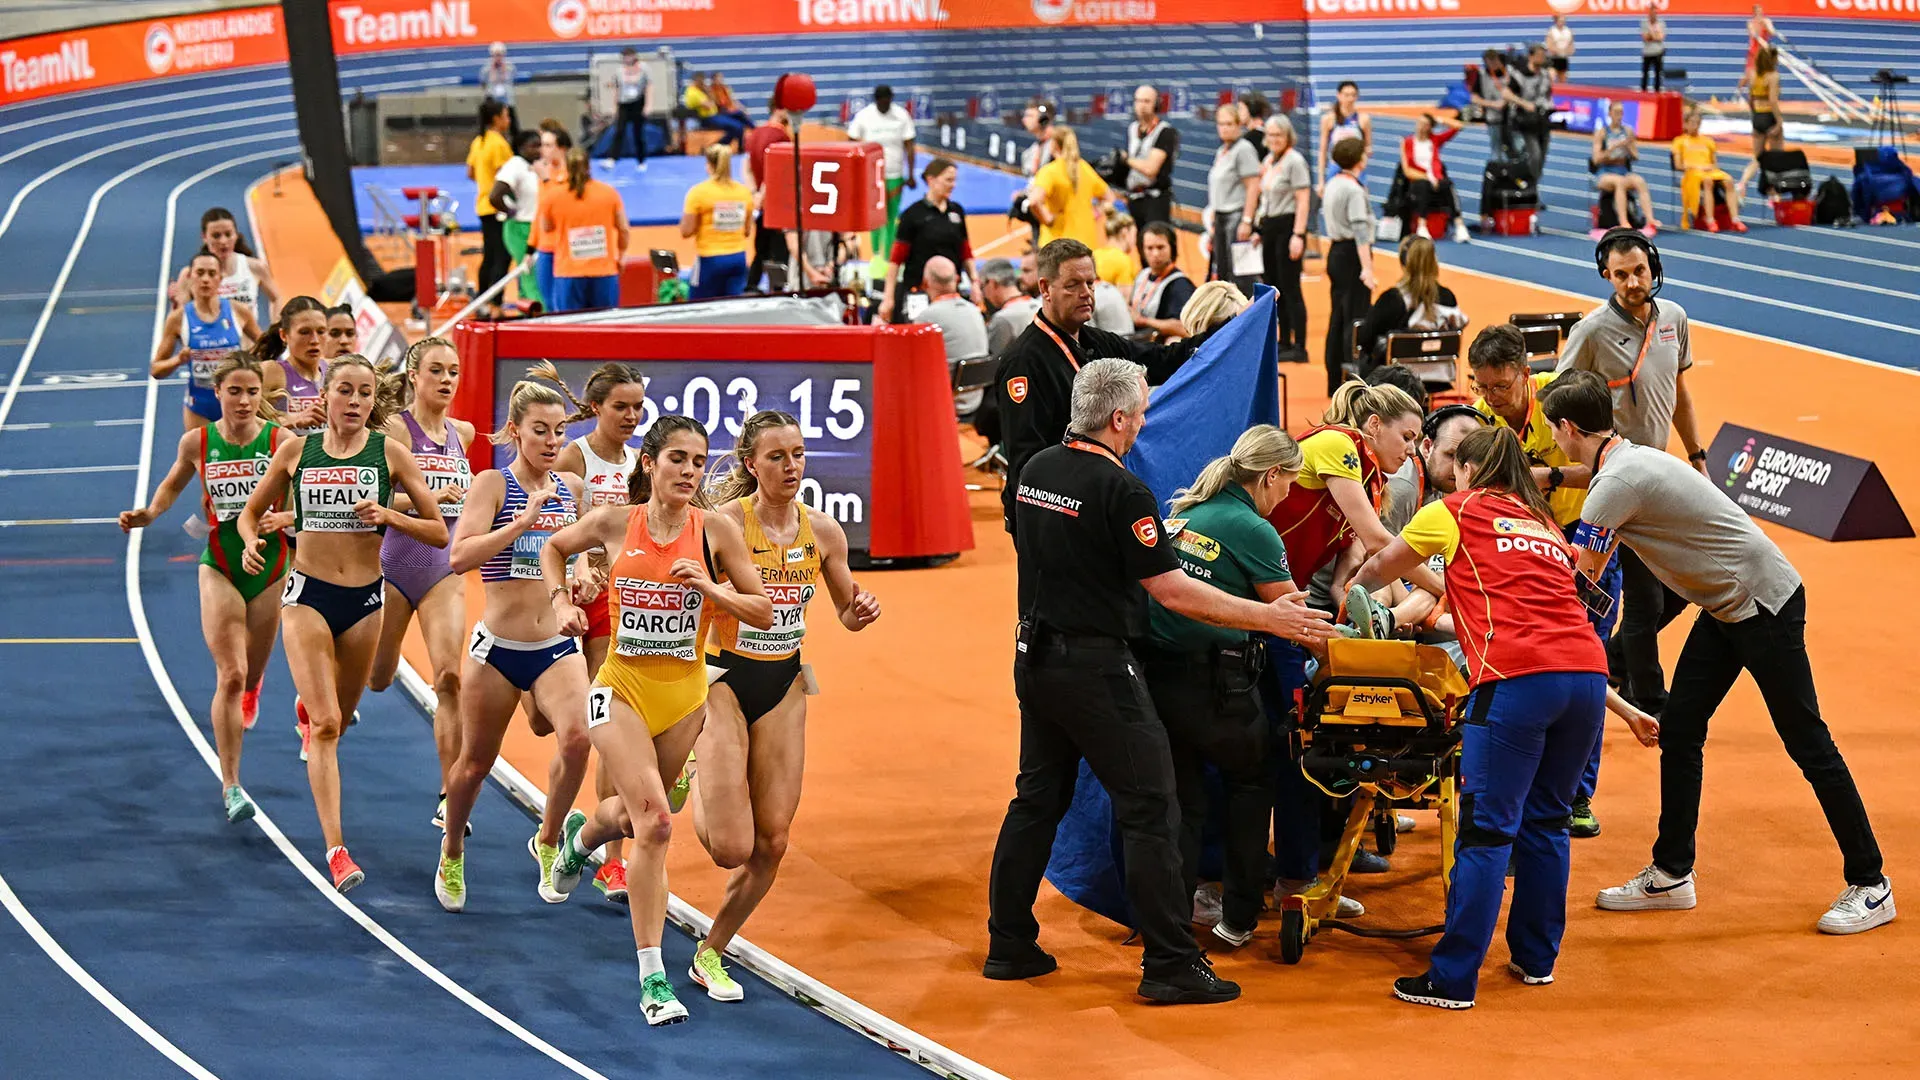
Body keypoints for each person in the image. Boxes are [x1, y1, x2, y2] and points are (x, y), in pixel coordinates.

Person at [985, 358, 1334, 1004]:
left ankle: (1008, 940)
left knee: (1035, 800)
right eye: (1140, 411)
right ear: (1117, 419)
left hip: (1034, 659)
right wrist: (1273, 617)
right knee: (1152, 808)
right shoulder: (1124, 493)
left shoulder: (1036, 471)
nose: (1143, 421)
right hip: (1096, 670)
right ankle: (1170, 963)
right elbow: (1176, 593)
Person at [1542, 370, 1895, 936]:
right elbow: (1590, 477)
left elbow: (1582, 583)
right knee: (1681, 731)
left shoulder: (1613, 487)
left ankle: (1872, 883)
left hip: (1762, 604)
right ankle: (1672, 873)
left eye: (1552, 433)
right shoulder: (1627, 457)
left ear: (1565, 426)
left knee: (1808, 741)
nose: (1552, 441)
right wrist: (1550, 474)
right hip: (1727, 605)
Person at [1350, 426, 1644, 1010]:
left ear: (1469, 470)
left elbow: (1386, 562)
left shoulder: (1455, 510)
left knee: (1485, 833)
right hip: (1586, 679)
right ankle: (1536, 960)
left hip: (1514, 683)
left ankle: (1452, 979)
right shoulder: (1546, 529)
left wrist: (1348, 596)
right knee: (1549, 822)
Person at [540, 416, 774, 1026]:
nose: (688, 472)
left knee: (635, 815)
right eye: (677, 459)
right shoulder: (619, 523)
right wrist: (563, 597)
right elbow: (554, 547)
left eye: (698, 462)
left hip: (684, 697)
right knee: (657, 826)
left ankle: (580, 839)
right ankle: (653, 978)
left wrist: (712, 589)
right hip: (618, 688)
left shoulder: (716, 531)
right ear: (650, 464)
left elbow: (764, 612)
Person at [689, 412, 882, 1001]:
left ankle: (712, 951)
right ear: (751, 463)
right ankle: (691, 764)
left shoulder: (823, 532)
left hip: (785, 683)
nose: (791, 466)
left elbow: (846, 611)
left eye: (798, 455)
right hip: (722, 679)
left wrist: (861, 611)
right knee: (730, 848)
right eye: (777, 457)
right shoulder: (722, 525)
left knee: (772, 843)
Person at [238, 355, 447, 892]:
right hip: (306, 595)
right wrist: (251, 541)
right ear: (325, 396)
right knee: (329, 726)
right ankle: (336, 850)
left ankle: (310, 706)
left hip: (364, 603)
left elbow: (438, 532)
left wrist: (389, 516)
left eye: (364, 394)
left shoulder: (390, 453)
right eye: (345, 391)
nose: (354, 402)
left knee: (342, 713)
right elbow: (250, 511)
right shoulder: (295, 451)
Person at [1143, 426, 1324, 946]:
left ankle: (1170, 922)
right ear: (1271, 476)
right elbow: (1296, 619)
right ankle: (1240, 918)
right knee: (1252, 782)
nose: (1290, 495)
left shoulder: (1186, 513)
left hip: (1157, 684)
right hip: (1216, 685)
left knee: (1184, 800)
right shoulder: (1253, 529)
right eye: (1290, 483)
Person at [434, 378, 593, 912]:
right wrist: (523, 522)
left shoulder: (572, 489)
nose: (551, 441)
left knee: (577, 741)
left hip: (555, 644)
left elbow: (584, 553)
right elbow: (460, 557)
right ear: (515, 432)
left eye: (558, 431)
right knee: (475, 765)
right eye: (539, 431)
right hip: (499, 650)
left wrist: (587, 573)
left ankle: (548, 840)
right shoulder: (492, 484)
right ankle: (452, 847)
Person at [1469, 324, 1632, 839]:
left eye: (1500, 386)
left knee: (1586, 665)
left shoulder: (1563, 400)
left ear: (1524, 373)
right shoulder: (1482, 416)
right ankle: (1526, 787)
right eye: (1481, 386)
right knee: (1532, 667)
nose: (1491, 398)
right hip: (1526, 551)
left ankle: (1576, 796)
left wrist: (1549, 477)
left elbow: (1612, 464)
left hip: (1588, 545)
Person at [121, 352, 295, 822]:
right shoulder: (197, 441)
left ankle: (254, 689)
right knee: (230, 674)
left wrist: (289, 516)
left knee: (252, 674)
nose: (243, 401)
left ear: (262, 396)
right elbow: (172, 487)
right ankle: (232, 784)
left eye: (252, 392)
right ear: (216, 393)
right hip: (219, 562)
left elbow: (308, 497)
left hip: (270, 563)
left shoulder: (282, 441)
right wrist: (148, 515)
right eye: (234, 391)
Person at [1556, 229, 1711, 717]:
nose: (1631, 282)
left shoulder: (1676, 319)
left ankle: (1616, 659)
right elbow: (1558, 398)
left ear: (1654, 267)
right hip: (1620, 479)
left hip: (1662, 475)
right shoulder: (1592, 330)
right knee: (1644, 600)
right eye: (1620, 274)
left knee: (1683, 589)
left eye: (1638, 271)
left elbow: (1679, 395)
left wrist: (1698, 455)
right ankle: (1650, 699)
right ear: (1607, 275)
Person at [995, 238, 1198, 537]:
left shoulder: (1094, 341)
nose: (1086, 293)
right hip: (1051, 514)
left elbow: (1164, 360)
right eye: (1073, 285)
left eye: (1090, 283)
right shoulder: (1023, 363)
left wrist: (1232, 327)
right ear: (1044, 288)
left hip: (1092, 501)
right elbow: (1027, 460)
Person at [541, 361, 648, 903]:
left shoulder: (639, 463)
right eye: (620, 407)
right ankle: (558, 821)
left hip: (614, 604)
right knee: (545, 720)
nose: (631, 416)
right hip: (561, 601)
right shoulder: (572, 455)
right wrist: (574, 572)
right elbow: (553, 531)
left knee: (607, 721)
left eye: (637, 406)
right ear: (598, 408)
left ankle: (612, 861)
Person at [366, 338, 476, 834]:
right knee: (378, 678)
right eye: (436, 370)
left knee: (450, 679)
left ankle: (449, 793)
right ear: (414, 375)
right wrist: (428, 500)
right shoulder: (394, 429)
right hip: (393, 565)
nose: (447, 380)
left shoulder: (465, 434)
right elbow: (375, 494)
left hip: (443, 570)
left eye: (453, 371)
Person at [153, 251, 262, 431]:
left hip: (239, 405)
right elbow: (156, 369)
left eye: (211, 274)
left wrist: (251, 359)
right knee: (201, 459)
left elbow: (267, 347)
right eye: (200, 273)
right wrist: (178, 360)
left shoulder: (239, 311)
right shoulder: (178, 319)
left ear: (221, 277)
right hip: (200, 408)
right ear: (190, 277)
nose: (205, 279)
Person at [879, 158, 976, 323]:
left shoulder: (956, 212)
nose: (953, 185)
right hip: (919, 293)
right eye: (948, 180)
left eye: (954, 180)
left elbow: (965, 251)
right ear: (931, 180)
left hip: (950, 293)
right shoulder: (912, 215)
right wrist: (888, 298)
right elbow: (896, 260)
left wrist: (975, 282)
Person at [1356, 235, 1466, 367]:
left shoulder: (1392, 299)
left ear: (1403, 262)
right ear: (1434, 262)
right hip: (1439, 376)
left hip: (1396, 378)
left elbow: (1365, 340)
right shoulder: (1448, 297)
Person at [1322, 137, 1377, 396]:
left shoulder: (1333, 183)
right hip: (1352, 256)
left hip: (1335, 252)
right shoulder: (1354, 190)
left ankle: (1334, 378)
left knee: (1338, 316)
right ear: (1359, 159)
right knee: (1356, 319)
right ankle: (1352, 381)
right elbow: (1360, 231)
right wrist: (1367, 268)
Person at [847, 85, 917, 284]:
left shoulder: (902, 116)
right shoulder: (865, 116)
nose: (885, 103)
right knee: (875, 217)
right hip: (872, 175)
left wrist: (910, 173)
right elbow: (851, 139)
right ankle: (877, 256)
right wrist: (856, 170)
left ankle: (889, 259)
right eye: (881, 100)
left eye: (888, 100)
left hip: (895, 174)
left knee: (892, 217)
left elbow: (909, 145)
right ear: (876, 100)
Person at [546, 147, 629, 312]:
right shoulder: (609, 193)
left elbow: (546, 227)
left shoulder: (552, 196)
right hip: (603, 271)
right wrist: (622, 254)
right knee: (605, 328)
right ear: (589, 167)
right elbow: (623, 229)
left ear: (567, 168)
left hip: (568, 272)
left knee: (570, 330)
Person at [1257, 116, 1312, 361]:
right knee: (1274, 287)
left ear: (1288, 136)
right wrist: (1259, 230)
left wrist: (1298, 235)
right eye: (1270, 134)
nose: (1274, 139)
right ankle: (1284, 340)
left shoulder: (1295, 161)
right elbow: (1265, 199)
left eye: (1279, 135)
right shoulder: (1268, 161)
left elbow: (1303, 200)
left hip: (1288, 226)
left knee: (1291, 287)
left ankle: (1300, 345)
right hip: (1270, 227)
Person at [915, 256, 991, 415]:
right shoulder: (975, 311)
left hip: (944, 407)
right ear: (957, 279)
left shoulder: (927, 317)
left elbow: (914, 366)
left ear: (925, 282)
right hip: (976, 401)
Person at [173, 208, 277, 321]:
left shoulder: (255, 267)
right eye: (216, 236)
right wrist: (176, 303)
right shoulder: (190, 274)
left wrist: (275, 330)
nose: (223, 241)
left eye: (228, 234)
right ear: (204, 237)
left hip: (248, 338)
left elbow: (277, 299)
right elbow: (179, 319)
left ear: (236, 235)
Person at [681, 143, 752, 301]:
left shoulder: (698, 193)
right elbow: (747, 231)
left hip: (710, 260)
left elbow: (686, 231)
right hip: (738, 259)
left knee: (699, 307)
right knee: (733, 309)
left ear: (710, 165)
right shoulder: (743, 192)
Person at [1206, 105, 1262, 294]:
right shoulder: (1222, 150)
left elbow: (1253, 186)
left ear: (1239, 125)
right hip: (1222, 218)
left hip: (1236, 217)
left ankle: (1251, 315)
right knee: (1223, 273)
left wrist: (1247, 221)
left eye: (1229, 124)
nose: (1224, 128)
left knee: (1241, 275)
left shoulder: (1244, 149)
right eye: (1221, 124)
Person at [255, 296, 329, 438]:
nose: (314, 340)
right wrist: (292, 420)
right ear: (284, 335)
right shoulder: (271, 372)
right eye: (304, 332)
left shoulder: (335, 370)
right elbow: (242, 424)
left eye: (321, 331)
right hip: (284, 458)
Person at [1031, 126, 1114, 250]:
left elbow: (1034, 201)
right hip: (1085, 244)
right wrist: (1096, 213)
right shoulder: (1085, 168)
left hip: (1056, 246)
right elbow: (1109, 197)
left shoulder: (1049, 171)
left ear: (1053, 145)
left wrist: (1048, 220)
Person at [490, 129, 544, 307]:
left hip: (536, 226)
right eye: (533, 146)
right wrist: (510, 212)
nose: (538, 150)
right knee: (530, 273)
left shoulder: (538, 165)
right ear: (521, 148)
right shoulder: (515, 165)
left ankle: (526, 312)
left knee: (529, 274)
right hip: (520, 228)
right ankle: (540, 312)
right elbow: (495, 195)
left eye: (540, 145)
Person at [467, 100, 515, 301]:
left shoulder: (479, 141)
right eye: (506, 116)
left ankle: (481, 299)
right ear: (496, 119)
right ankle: (495, 302)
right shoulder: (499, 144)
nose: (509, 120)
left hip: (483, 206)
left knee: (489, 256)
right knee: (501, 258)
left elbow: (470, 172)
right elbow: (507, 176)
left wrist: (484, 181)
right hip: (498, 208)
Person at [1399, 113, 1470, 243]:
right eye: (1419, 123)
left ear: (1430, 127)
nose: (1420, 127)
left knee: (1448, 184)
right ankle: (1422, 226)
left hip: (1436, 180)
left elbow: (1458, 126)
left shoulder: (1435, 140)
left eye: (1425, 124)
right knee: (1424, 186)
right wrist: (1428, 177)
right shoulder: (1407, 142)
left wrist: (1440, 120)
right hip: (1417, 181)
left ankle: (1459, 225)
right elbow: (1407, 170)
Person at [1672, 106, 1745, 231]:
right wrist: (1696, 166)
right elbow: (1678, 165)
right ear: (1685, 124)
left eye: (1697, 123)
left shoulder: (1708, 141)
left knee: (1728, 181)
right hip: (1692, 173)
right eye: (1692, 123)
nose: (1695, 126)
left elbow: (1715, 163)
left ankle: (1735, 219)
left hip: (1710, 171)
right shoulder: (1679, 142)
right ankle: (1710, 219)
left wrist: (1709, 167)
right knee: (1708, 182)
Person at [743, 106, 793, 292]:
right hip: (778, 207)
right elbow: (775, 171)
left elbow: (746, 166)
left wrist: (754, 194)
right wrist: (763, 196)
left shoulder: (755, 133)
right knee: (781, 253)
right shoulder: (781, 137)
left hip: (763, 207)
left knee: (761, 251)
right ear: (780, 109)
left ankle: (751, 286)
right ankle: (780, 292)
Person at [1592, 101, 1660, 235]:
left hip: (1623, 170)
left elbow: (1636, 156)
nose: (1619, 116)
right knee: (1620, 182)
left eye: (1621, 113)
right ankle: (1624, 221)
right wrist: (1612, 149)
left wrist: (1628, 146)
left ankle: (1650, 219)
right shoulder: (1602, 133)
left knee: (1639, 181)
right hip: (1605, 173)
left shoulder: (1628, 131)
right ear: (1610, 114)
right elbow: (1596, 159)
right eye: (1616, 112)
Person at [1123, 85, 1179, 236]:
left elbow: (1150, 169)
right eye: (1138, 101)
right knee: (1140, 247)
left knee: (1156, 243)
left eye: (1147, 101)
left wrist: (1125, 159)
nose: (1142, 105)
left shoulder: (1165, 132)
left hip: (1155, 199)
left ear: (1156, 104)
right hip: (1134, 197)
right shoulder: (1132, 129)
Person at [1129, 222, 1196, 344]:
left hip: (1159, 345)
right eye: (1149, 248)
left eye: (1160, 247)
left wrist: (1143, 321)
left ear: (1172, 248)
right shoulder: (1142, 275)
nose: (1155, 254)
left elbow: (1184, 328)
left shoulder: (1180, 285)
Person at [531, 120, 572, 311]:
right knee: (547, 300)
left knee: (561, 303)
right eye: (542, 145)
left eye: (548, 145)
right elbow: (540, 211)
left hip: (562, 247)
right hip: (545, 247)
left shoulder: (571, 175)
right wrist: (531, 247)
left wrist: (546, 180)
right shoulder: (544, 175)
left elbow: (558, 206)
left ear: (561, 148)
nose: (543, 150)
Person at [1504, 45, 1554, 182]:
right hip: (1526, 123)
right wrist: (1524, 103)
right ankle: (1531, 186)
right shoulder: (1519, 74)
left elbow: (1547, 94)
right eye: (1540, 55)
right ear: (1531, 56)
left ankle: (1534, 185)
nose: (1543, 58)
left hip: (1543, 121)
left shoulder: (1545, 74)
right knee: (1534, 156)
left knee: (1541, 158)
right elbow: (1506, 94)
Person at [1739, 46, 1782, 195]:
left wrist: (1755, 116)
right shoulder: (1773, 76)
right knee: (1777, 157)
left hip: (1757, 117)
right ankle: (1774, 193)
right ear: (1772, 59)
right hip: (1769, 116)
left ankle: (1743, 183)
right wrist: (1779, 121)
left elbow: (1750, 99)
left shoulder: (1753, 74)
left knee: (1757, 158)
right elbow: (1773, 100)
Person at [983, 257, 1041, 358]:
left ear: (993, 283)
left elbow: (991, 362)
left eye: (982, 286)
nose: (984, 294)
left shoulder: (1002, 318)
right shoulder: (1040, 305)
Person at [1317, 80, 1371, 188]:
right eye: (1346, 95)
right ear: (1339, 96)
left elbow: (1368, 146)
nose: (1350, 99)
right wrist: (1321, 181)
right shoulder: (1328, 119)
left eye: (1353, 95)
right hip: (1336, 168)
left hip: (1356, 169)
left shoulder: (1363, 119)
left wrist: (1367, 153)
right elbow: (1322, 151)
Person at [684, 72, 746, 148]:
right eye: (702, 81)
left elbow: (713, 102)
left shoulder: (699, 91)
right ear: (697, 81)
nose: (703, 83)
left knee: (739, 119)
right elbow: (709, 105)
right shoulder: (692, 92)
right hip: (707, 119)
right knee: (737, 127)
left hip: (715, 116)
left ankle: (718, 146)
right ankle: (721, 147)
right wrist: (708, 93)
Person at [613, 48, 652, 164]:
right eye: (625, 57)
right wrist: (615, 106)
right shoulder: (620, 71)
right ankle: (613, 157)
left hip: (637, 102)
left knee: (638, 133)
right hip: (624, 103)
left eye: (629, 56)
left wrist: (648, 105)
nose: (627, 59)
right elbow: (617, 88)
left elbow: (649, 87)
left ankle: (641, 160)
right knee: (619, 131)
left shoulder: (643, 68)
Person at [1473, 50, 1511, 159]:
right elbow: (1474, 97)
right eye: (1490, 63)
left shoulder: (1510, 72)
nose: (1493, 66)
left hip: (1513, 117)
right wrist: (1493, 104)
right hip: (1494, 118)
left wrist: (1508, 100)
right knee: (1496, 149)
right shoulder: (1482, 74)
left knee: (1517, 147)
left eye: (1495, 62)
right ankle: (1498, 172)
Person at [479, 42, 517, 134]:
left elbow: (511, 80)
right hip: (493, 102)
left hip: (507, 100)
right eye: (496, 55)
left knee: (513, 126)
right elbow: (483, 83)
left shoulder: (510, 68)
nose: (498, 58)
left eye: (500, 55)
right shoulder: (486, 69)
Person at [1093, 213, 1138, 289]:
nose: (1135, 241)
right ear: (1125, 233)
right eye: (1134, 235)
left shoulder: (1093, 255)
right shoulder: (1123, 261)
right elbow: (1124, 298)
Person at [1641, 10, 1667, 92]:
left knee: (1658, 74)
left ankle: (1657, 92)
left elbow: (1661, 38)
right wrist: (1655, 34)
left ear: (1656, 15)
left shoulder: (1661, 24)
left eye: (1654, 14)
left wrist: (1651, 35)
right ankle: (1644, 92)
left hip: (1658, 52)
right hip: (1647, 53)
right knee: (1645, 74)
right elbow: (1645, 38)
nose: (1652, 16)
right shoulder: (1644, 23)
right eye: (1651, 14)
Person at [1546, 14, 1576, 83]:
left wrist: (1568, 51)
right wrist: (1559, 51)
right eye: (1560, 20)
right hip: (1554, 59)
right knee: (1552, 78)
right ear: (1556, 21)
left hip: (1563, 59)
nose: (1562, 22)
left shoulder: (1568, 31)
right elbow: (1549, 45)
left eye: (1563, 20)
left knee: (1563, 81)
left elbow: (1571, 46)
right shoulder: (1552, 31)